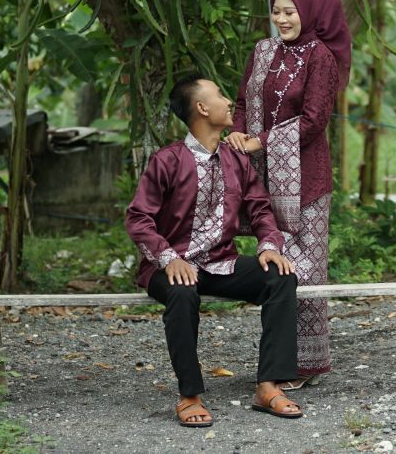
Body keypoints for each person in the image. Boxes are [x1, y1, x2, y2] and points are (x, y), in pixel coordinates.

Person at [126, 75, 304, 427]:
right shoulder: (167, 161)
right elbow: (138, 218)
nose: (228, 101)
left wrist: (269, 245)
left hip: (220, 263)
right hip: (170, 266)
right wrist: (169, 258)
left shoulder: (235, 159)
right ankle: (189, 395)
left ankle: (268, 385)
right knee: (182, 291)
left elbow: (260, 209)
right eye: (220, 95)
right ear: (202, 108)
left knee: (281, 276)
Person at [226, 0, 351, 390]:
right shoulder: (262, 51)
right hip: (263, 178)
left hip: (307, 182)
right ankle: (278, 363)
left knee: (306, 272)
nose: (281, 19)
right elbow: (242, 102)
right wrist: (238, 134)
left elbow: (315, 121)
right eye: (276, 12)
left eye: (290, 12)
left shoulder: (320, 58)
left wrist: (261, 140)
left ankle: (307, 364)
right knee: (275, 268)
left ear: (309, 13)